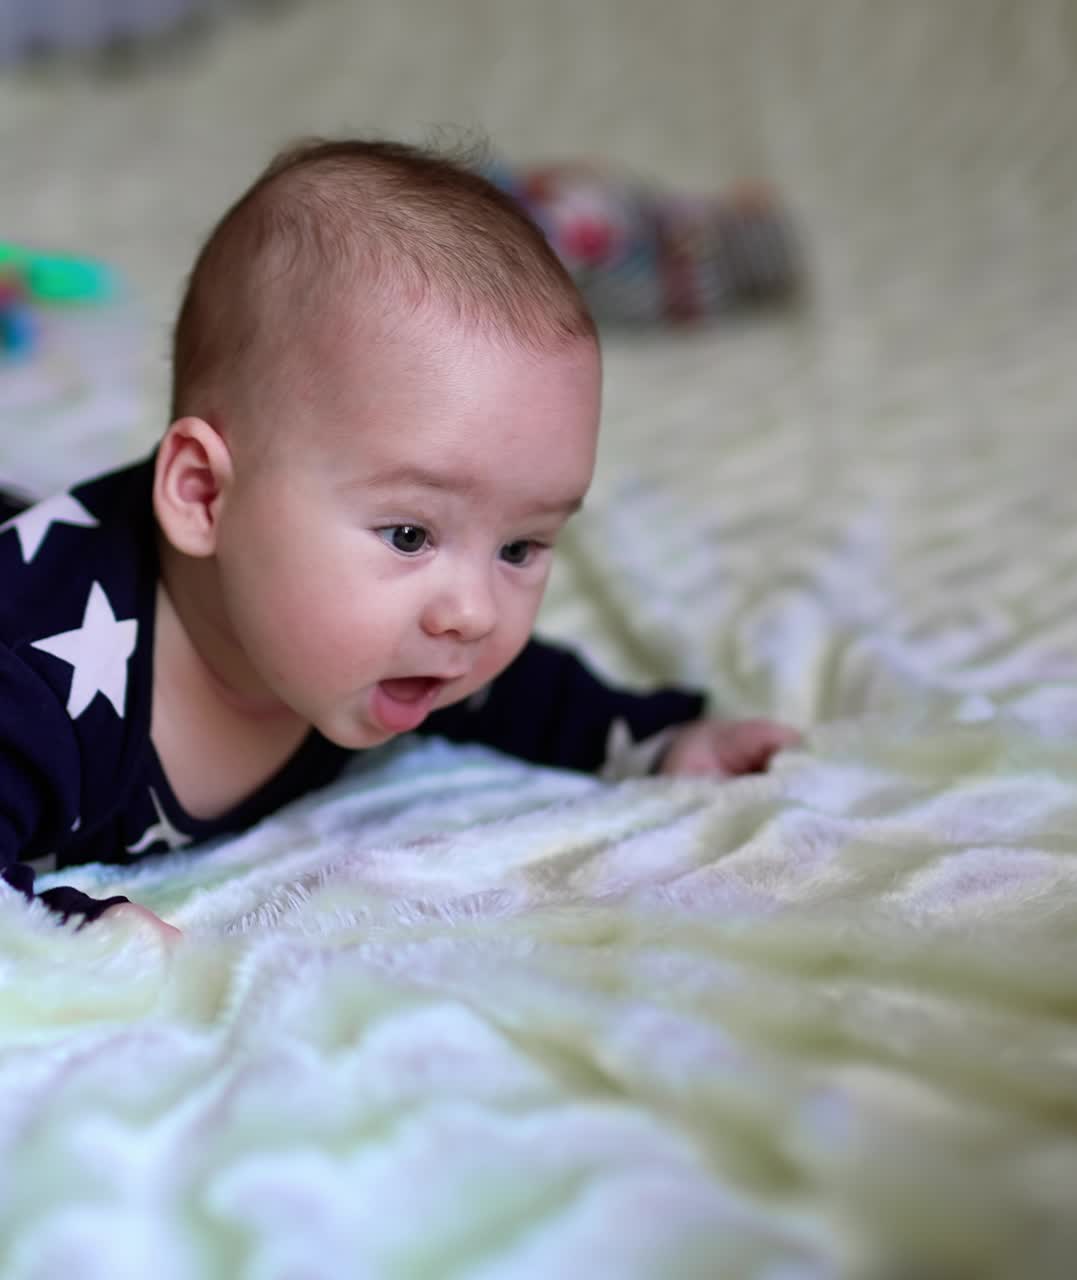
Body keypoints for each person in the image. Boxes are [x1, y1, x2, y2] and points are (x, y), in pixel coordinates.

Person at [0, 138, 801, 941]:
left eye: (520, 548)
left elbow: (535, 695)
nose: (474, 612)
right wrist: (72, 933)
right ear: (205, 495)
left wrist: (662, 741)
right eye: (412, 534)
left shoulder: (408, 649)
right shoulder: (38, 686)